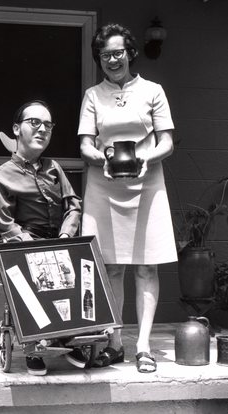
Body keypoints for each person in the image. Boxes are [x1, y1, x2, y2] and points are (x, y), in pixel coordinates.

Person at [77, 23, 178, 373]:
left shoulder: (153, 91)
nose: (112, 60)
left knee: (146, 266)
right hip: (105, 184)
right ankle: (115, 342)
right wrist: (100, 158)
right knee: (112, 267)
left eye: (118, 52)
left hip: (147, 183)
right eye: (105, 55)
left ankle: (144, 346)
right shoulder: (93, 95)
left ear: (131, 53)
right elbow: (85, 144)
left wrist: (148, 158)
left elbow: (166, 140)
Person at [0, 100, 85, 376]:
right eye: (35, 123)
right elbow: (5, 224)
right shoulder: (2, 176)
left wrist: (67, 233)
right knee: (39, 262)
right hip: (24, 243)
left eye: (48, 125)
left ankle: (72, 333)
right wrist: (29, 243)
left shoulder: (54, 168)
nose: (42, 129)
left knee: (82, 259)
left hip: (60, 239)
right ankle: (36, 343)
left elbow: (73, 205)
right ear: (17, 129)